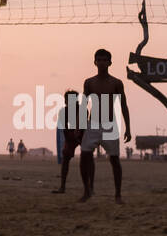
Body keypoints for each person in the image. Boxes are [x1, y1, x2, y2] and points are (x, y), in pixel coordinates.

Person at [79, 48, 131, 203]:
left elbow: (123, 105)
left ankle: (118, 194)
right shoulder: (89, 82)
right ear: (95, 62)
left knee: (114, 160)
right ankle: (87, 190)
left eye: (104, 60)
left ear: (110, 63)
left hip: (110, 125)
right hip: (93, 124)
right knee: (84, 156)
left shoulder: (116, 83)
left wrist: (128, 127)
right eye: (99, 60)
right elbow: (84, 104)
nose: (101, 62)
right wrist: (80, 126)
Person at [52, 89, 84, 194]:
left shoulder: (82, 110)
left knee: (86, 159)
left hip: (82, 134)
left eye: (68, 100)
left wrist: (78, 137)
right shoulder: (63, 112)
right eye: (66, 100)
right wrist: (70, 141)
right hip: (70, 136)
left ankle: (89, 187)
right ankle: (62, 187)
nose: (66, 102)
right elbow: (64, 129)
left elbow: (83, 126)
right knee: (65, 158)